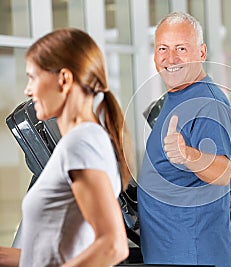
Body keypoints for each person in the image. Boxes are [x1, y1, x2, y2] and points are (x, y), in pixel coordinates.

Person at [0, 28, 131, 267]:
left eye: (33, 77)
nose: (28, 90)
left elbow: (112, 245)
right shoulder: (85, 140)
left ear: (64, 79)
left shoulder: (82, 143)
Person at [137, 12, 231, 267]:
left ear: (201, 53)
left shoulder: (208, 102)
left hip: (194, 253)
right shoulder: (177, 96)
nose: (170, 59)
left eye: (181, 48)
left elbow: (223, 173)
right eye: (162, 49)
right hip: (170, 251)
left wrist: (187, 155)